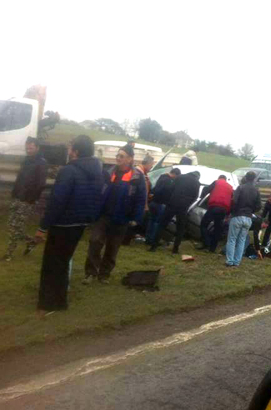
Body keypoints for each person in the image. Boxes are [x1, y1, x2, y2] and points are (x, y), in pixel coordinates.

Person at [34, 135, 104, 317]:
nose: (69, 150)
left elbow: (57, 201)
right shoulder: (98, 172)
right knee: (63, 262)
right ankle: (59, 299)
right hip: (80, 224)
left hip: (62, 224)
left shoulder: (69, 171)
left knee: (52, 264)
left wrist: (43, 227)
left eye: (71, 147)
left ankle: (49, 304)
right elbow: (98, 199)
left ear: (77, 152)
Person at [83, 145, 146, 285]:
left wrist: (136, 217)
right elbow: (98, 192)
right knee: (94, 241)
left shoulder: (137, 177)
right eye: (118, 155)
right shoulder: (108, 172)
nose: (118, 158)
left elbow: (141, 198)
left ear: (130, 159)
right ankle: (91, 273)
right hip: (103, 216)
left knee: (112, 248)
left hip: (121, 219)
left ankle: (104, 274)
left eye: (121, 156)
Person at [0, 137, 48, 261]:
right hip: (17, 197)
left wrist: (30, 200)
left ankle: (9, 254)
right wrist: (14, 193)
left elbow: (40, 185)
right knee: (13, 226)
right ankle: (32, 241)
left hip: (26, 201)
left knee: (15, 227)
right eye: (27, 148)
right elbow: (20, 179)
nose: (28, 150)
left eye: (31, 148)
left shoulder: (42, 163)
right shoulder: (26, 160)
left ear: (37, 148)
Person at [149, 171, 201, 254]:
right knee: (180, 229)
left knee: (162, 225)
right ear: (197, 177)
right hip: (183, 207)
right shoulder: (197, 183)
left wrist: (171, 199)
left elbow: (170, 189)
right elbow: (195, 197)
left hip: (172, 203)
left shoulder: (180, 177)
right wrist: (187, 204)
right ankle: (175, 249)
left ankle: (153, 246)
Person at [226, 171, 261, 267]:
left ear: (246, 177)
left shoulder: (240, 188)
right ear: (254, 179)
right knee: (241, 240)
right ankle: (237, 262)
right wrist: (251, 211)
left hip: (237, 216)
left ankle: (230, 261)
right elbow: (259, 206)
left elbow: (234, 201)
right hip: (248, 218)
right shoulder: (256, 191)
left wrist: (232, 212)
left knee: (232, 240)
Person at [197, 175, 234, 252]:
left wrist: (201, 197)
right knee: (217, 229)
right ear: (225, 179)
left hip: (214, 206)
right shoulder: (230, 187)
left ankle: (207, 243)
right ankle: (212, 249)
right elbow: (232, 200)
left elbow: (206, 189)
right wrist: (228, 213)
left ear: (219, 178)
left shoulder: (217, 182)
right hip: (223, 210)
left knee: (203, 225)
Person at [146, 168, 181, 245]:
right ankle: (152, 240)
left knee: (151, 220)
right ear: (175, 174)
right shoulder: (168, 181)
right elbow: (164, 192)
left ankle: (148, 238)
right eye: (177, 176)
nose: (176, 178)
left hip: (153, 202)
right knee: (157, 222)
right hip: (160, 203)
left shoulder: (162, 177)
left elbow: (155, 189)